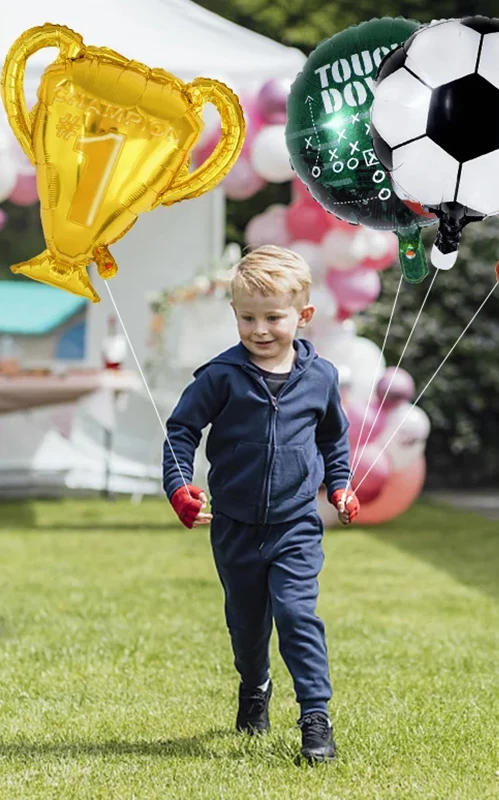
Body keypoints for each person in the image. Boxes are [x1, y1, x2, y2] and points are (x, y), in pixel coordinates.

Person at [162, 245, 360, 763]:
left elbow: (334, 440)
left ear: (303, 315)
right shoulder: (220, 377)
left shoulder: (321, 378)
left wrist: (339, 485)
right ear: (234, 315)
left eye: (274, 317)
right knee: (247, 626)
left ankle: (316, 720)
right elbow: (181, 431)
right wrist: (179, 488)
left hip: (295, 525)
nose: (260, 329)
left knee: (297, 615)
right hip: (234, 526)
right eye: (248, 317)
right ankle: (255, 686)